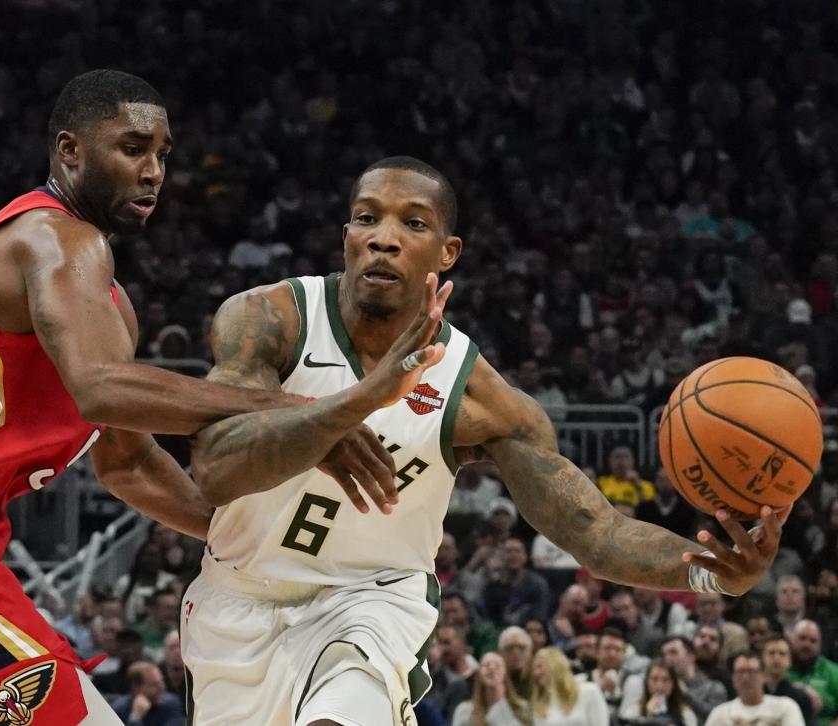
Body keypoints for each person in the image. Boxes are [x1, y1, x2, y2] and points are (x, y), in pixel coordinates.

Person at [180, 156, 786, 725]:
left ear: (446, 253)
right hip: (236, 603)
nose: (383, 237)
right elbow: (215, 469)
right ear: (346, 235)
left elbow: (596, 533)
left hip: (369, 604)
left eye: (411, 223)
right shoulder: (271, 320)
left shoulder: (473, 393)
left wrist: (713, 573)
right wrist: (356, 404)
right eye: (367, 217)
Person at [0, 70, 390, 725]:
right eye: (132, 148)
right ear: (70, 151)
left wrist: (245, 542)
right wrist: (297, 411)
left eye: (163, 155)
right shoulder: (51, 238)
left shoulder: (108, 307)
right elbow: (100, 389)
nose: (154, 171)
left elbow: (127, 462)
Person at [704, 653, 803, 726]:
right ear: (733, 678)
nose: (745, 678)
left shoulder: (785, 707)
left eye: (751, 672)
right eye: (740, 672)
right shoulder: (720, 714)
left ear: (764, 676)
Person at [530, 647, 608, 725]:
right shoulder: (538, 705)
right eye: (534, 669)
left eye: (539, 666)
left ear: (555, 665)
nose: (536, 673)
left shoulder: (589, 691)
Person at [451, 651, 530, 726]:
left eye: (497, 665)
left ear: (505, 673)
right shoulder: (464, 711)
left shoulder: (521, 708)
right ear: (479, 674)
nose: (492, 668)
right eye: (486, 665)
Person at [660, 636, 728, 721]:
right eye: (664, 655)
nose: (667, 658)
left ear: (691, 657)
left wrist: (686, 694)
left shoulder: (713, 688)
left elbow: (716, 719)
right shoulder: (661, 689)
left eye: (673, 652)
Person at [787, 619, 838, 725]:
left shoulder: (833, 672)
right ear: (791, 640)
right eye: (802, 638)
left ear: (820, 646)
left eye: (813, 641)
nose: (807, 644)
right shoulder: (780, 668)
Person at [619, 659, 698, 726]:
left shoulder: (685, 713)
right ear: (647, 682)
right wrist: (648, 717)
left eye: (666, 680)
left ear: (673, 684)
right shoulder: (634, 710)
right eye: (654, 679)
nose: (660, 686)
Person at [761, 633, 815, 725]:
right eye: (771, 653)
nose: (776, 658)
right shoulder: (755, 696)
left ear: (790, 660)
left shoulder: (801, 698)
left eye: (782, 654)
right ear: (762, 658)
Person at [110, 661, 185, 726]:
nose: (162, 688)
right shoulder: (120, 709)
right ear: (136, 687)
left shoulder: (171, 704)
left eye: (161, 682)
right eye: (154, 685)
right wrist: (135, 718)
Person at [499, 626, 535, 699]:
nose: (516, 653)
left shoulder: (539, 682)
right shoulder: (495, 684)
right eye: (509, 648)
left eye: (521, 648)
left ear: (531, 653)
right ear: (501, 654)